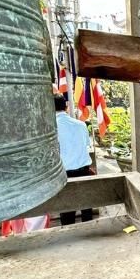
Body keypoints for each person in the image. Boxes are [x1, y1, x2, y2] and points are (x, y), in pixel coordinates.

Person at [54, 94, 94, 226]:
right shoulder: (81, 125)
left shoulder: (51, 128)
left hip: (64, 174)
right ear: (66, 106)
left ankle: (69, 233)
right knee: (87, 209)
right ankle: (89, 233)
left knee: (67, 211)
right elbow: (85, 146)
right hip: (84, 172)